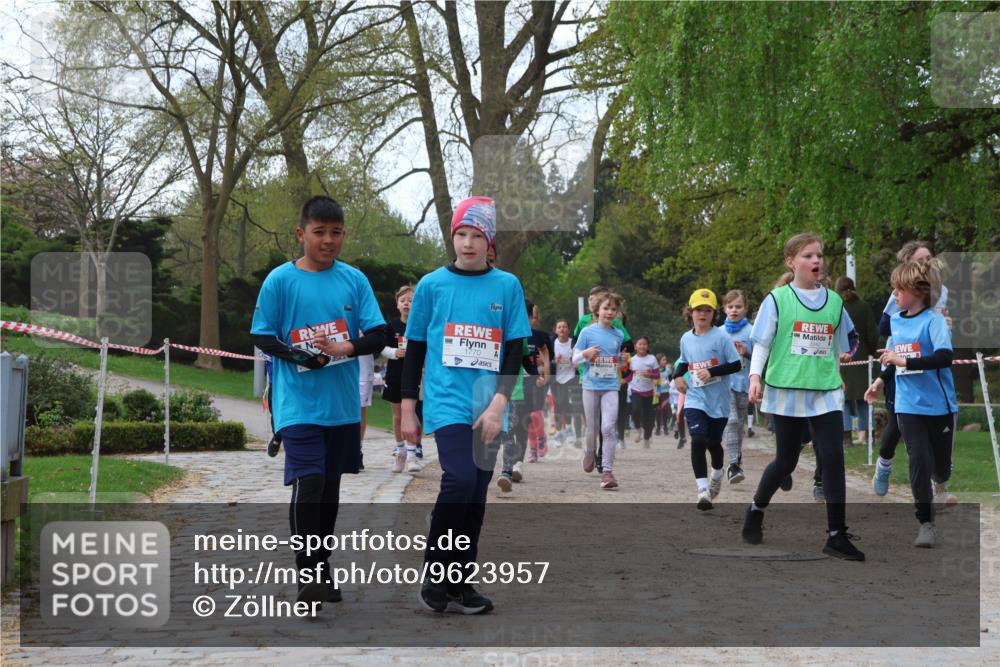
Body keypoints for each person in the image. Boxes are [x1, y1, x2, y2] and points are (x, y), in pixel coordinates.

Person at [250, 195, 387, 606]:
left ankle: (321, 564)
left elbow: (379, 334)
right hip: (297, 404)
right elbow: (261, 334)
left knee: (329, 489)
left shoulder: (354, 280)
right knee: (308, 482)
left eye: (336, 232)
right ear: (301, 234)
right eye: (319, 232)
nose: (328, 240)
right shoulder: (280, 281)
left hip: (341, 406)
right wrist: (301, 356)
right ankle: (307, 573)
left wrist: (347, 347)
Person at [401, 196, 530, 614]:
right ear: (452, 236)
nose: (468, 243)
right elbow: (415, 350)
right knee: (458, 480)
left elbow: (514, 350)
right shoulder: (431, 285)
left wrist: (498, 403)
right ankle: (434, 575)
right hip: (447, 401)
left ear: (489, 241)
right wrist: (408, 407)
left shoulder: (507, 286)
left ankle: (460, 586)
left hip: (490, 404)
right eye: (461, 234)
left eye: (477, 235)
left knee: (475, 494)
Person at [742, 232, 865, 561]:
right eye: (808, 255)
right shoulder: (777, 299)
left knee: (833, 457)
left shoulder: (835, 302)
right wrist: (755, 377)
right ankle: (756, 509)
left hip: (825, 390)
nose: (816, 261)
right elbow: (762, 343)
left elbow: (842, 342)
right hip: (786, 388)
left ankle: (836, 535)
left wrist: (841, 365)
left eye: (819, 255)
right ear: (791, 262)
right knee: (787, 460)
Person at [865, 260, 957, 547]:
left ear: (917, 292)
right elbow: (893, 359)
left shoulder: (934, 320)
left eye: (898, 289)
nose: (893, 294)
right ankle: (926, 523)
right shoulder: (895, 321)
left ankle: (941, 483)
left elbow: (944, 357)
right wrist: (879, 381)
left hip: (940, 405)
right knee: (919, 460)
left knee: (940, 467)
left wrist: (904, 360)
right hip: (908, 405)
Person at [672, 289, 742, 509]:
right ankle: (703, 490)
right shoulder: (686, 338)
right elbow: (684, 362)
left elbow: (736, 364)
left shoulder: (721, 337)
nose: (702, 314)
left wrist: (712, 371)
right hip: (695, 397)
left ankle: (717, 473)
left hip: (718, 401)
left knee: (713, 443)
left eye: (708, 310)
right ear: (690, 312)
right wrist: (676, 377)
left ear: (714, 314)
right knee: (698, 439)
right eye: (698, 310)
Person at [573, 291, 627, 489]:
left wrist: (621, 361)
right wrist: (585, 354)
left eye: (613, 309)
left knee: (608, 428)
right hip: (590, 386)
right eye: (606, 308)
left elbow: (616, 361)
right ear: (597, 310)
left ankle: (607, 472)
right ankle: (590, 451)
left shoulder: (619, 334)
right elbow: (574, 360)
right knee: (593, 428)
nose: (610, 312)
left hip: (611, 386)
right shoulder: (587, 332)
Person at [380, 284, 422, 473]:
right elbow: (381, 347)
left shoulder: (420, 325)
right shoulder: (391, 326)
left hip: (415, 377)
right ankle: (401, 451)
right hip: (395, 375)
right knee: (398, 416)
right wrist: (394, 352)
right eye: (403, 300)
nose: (406, 304)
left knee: (412, 415)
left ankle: (413, 454)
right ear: (397, 304)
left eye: (411, 300)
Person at [836, 276, 879, 446]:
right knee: (865, 398)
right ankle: (868, 436)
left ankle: (846, 437)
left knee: (844, 398)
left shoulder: (837, 307)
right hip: (862, 357)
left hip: (842, 356)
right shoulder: (864, 307)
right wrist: (870, 351)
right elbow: (873, 334)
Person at [721, 289, 753, 483]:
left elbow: (760, 357)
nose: (734, 310)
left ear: (745, 308)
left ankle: (736, 458)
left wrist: (745, 352)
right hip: (724, 384)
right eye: (730, 306)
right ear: (724, 308)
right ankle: (733, 465)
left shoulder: (752, 331)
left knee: (739, 424)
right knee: (731, 421)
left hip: (744, 383)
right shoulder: (718, 332)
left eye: (738, 307)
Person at [551, 319, 583, 447]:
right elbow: (546, 360)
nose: (562, 329)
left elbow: (580, 359)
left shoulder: (573, 343)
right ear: (556, 330)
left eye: (564, 327)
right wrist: (554, 361)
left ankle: (569, 429)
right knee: (558, 404)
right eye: (559, 327)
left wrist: (573, 360)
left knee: (568, 403)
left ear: (569, 330)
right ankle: (559, 433)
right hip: (556, 379)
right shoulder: (552, 343)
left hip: (571, 377)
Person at [628, 336, 660, 448]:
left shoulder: (652, 359)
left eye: (644, 344)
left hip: (649, 392)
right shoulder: (631, 360)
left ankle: (647, 438)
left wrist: (650, 375)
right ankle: (638, 429)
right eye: (640, 344)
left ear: (648, 346)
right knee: (635, 410)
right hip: (635, 390)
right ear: (635, 346)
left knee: (648, 417)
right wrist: (623, 381)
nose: (642, 346)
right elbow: (628, 375)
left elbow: (657, 375)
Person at [655, 354, 672, 436]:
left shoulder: (668, 370)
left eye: (665, 360)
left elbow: (671, 379)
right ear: (658, 361)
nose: (665, 361)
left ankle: (665, 427)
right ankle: (658, 428)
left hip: (665, 392)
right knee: (657, 410)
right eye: (663, 360)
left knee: (664, 409)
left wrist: (668, 382)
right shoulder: (654, 370)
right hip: (657, 393)